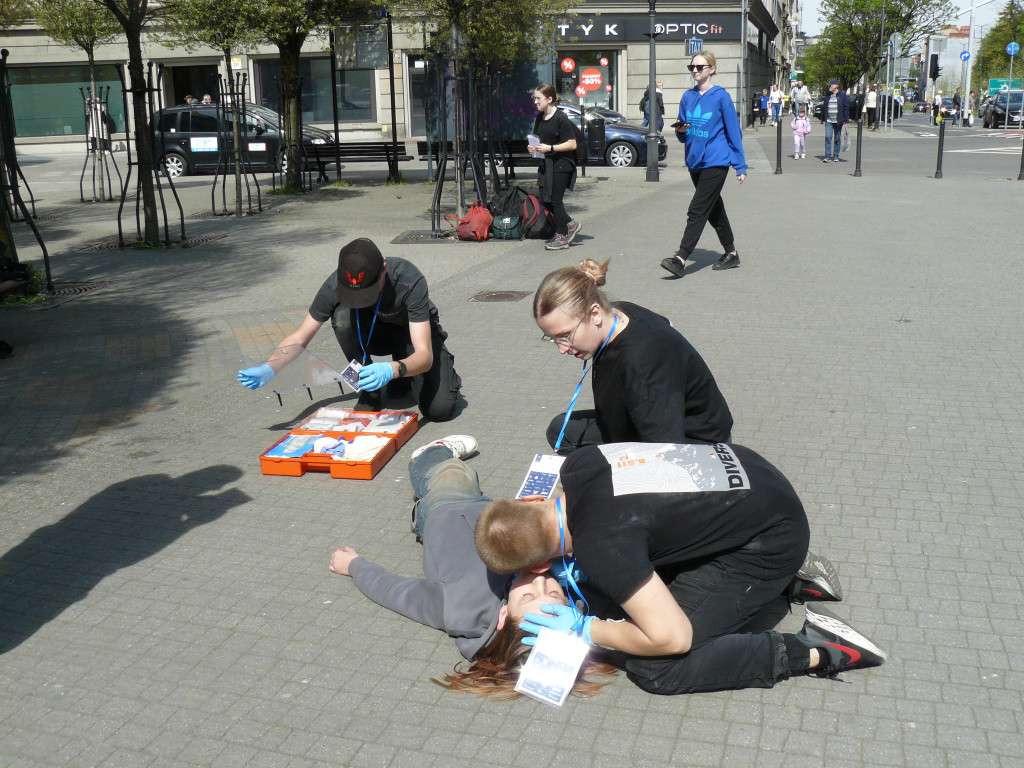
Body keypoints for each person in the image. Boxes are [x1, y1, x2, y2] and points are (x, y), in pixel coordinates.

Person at [474, 442, 887, 695]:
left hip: (771, 543)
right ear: (532, 500)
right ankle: (785, 584)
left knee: (656, 667)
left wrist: (586, 629)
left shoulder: (602, 548)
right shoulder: (579, 463)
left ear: (542, 562)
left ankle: (819, 648)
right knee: (645, 580)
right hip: (756, 477)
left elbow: (673, 637)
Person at [328, 436, 617, 700]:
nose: (540, 581)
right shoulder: (575, 602)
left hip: (451, 509)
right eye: (554, 595)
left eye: (528, 595)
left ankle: (432, 453)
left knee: (454, 472)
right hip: (505, 523)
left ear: (503, 615)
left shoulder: (458, 609)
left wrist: (354, 566)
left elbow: (395, 592)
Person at [236, 237, 462, 421]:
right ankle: (369, 389)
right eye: (353, 293)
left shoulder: (408, 279)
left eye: (368, 291)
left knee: (439, 410)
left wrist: (392, 369)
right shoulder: (335, 283)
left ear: (383, 270)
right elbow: (300, 337)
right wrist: (270, 367)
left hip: (412, 335)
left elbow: (424, 356)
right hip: (375, 335)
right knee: (343, 317)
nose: (361, 299)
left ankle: (406, 376)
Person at [534, 258, 733, 453]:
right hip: (642, 417)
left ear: (594, 314)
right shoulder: (618, 312)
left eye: (565, 336)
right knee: (560, 431)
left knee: (584, 463)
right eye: (553, 339)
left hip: (697, 445)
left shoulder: (642, 366)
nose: (562, 349)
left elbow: (665, 452)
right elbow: (667, 323)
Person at [662, 50, 746, 277]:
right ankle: (732, 253)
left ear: (712, 69)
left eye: (700, 67)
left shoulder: (721, 97)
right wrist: (681, 130)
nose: (695, 71)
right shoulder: (687, 97)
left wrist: (740, 165)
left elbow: (734, 132)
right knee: (714, 210)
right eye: (692, 67)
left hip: (716, 160)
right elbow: (683, 134)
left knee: (697, 209)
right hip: (695, 161)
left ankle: (680, 259)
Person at [529, 83, 580, 251]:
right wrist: (534, 148)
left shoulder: (560, 118)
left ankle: (561, 236)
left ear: (549, 99)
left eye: (538, 98)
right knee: (544, 199)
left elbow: (572, 144)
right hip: (547, 163)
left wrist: (550, 148)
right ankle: (570, 224)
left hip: (562, 163)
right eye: (534, 98)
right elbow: (539, 139)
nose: (535, 101)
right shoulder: (540, 117)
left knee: (555, 200)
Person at [820, 80, 850, 163]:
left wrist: (847, 121)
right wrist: (822, 118)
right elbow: (824, 107)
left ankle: (836, 155)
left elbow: (846, 109)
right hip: (829, 120)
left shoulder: (842, 96)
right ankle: (827, 156)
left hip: (838, 121)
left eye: (830, 85)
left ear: (836, 86)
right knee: (828, 137)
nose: (829, 87)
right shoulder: (827, 95)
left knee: (837, 138)